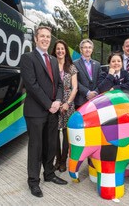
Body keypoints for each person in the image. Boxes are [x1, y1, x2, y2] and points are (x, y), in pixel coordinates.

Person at [20, 26, 67, 198]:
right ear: (36, 39)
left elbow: (60, 85)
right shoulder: (27, 58)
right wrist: (49, 104)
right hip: (36, 111)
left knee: (50, 145)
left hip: (52, 110)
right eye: (42, 36)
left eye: (48, 36)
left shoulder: (54, 60)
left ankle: (49, 174)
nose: (46, 39)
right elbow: (32, 86)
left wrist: (58, 101)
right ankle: (33, 181)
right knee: (36, 147)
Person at [51, 40, 78, 172]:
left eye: (62, 49)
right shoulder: (50, 65)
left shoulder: (71, 67)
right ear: (54, 51)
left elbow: (75, 88)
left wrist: (67, 103)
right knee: (54, 134)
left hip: (68, 103)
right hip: (54, 102)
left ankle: (63, 161)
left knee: (67, 135)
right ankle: (57, 160)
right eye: (58, 49)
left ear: (66, 51)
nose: (60, 51)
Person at [74, 39, 101, 109]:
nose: (87, 49)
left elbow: (100, 80)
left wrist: (95, 92)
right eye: (85, 47)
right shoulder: (74, 64)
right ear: (81, 49)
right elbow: (74, 82)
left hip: (95, 100)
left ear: (92, 50)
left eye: (89, 47)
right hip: (81, 100)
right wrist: (87, 92)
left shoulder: (97, 64)